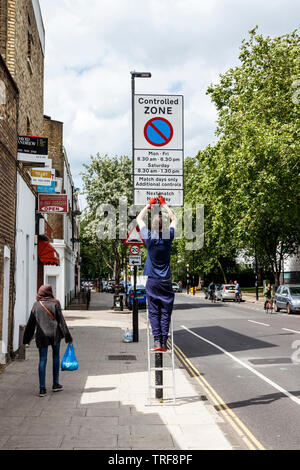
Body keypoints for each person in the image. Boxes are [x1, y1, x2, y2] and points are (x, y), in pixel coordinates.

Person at [137, 194, 177, 352]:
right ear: (163, 226)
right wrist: (164, 205)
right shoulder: (168, 236)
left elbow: (139, 219)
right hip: (166, 280)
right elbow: (175, 219)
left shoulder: (148, 237)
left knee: (154, 311)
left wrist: (148, 205)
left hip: (153, 280)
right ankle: (164, 340)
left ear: (152, 226)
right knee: (165, 310)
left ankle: (157, 342)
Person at [23, 284, 73, 397]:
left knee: (42, 360)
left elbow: (31, 324)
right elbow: (61, 321)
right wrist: (68, 337)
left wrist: (26, 339)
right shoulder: (55, 303)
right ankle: (55, 384)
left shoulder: (36, 305)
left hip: (42, 336)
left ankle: (42, 389)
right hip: (55, 334)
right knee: (56, 357)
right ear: (49, 292)